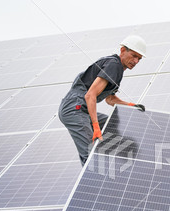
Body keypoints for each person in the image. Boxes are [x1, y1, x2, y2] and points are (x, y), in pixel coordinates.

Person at [59, 35, 146, 165]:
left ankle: (108, 157)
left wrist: (130, 105)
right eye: (134, 55)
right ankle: (91, 175)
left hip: (83, 110)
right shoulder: (114, 64)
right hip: (74, 109)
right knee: (90, 155)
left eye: (139, 58)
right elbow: (90, 95)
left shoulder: (118, 70)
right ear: (122, 50)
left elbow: (110, 99)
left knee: (109, 124)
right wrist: (95, 126)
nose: (136, 61)